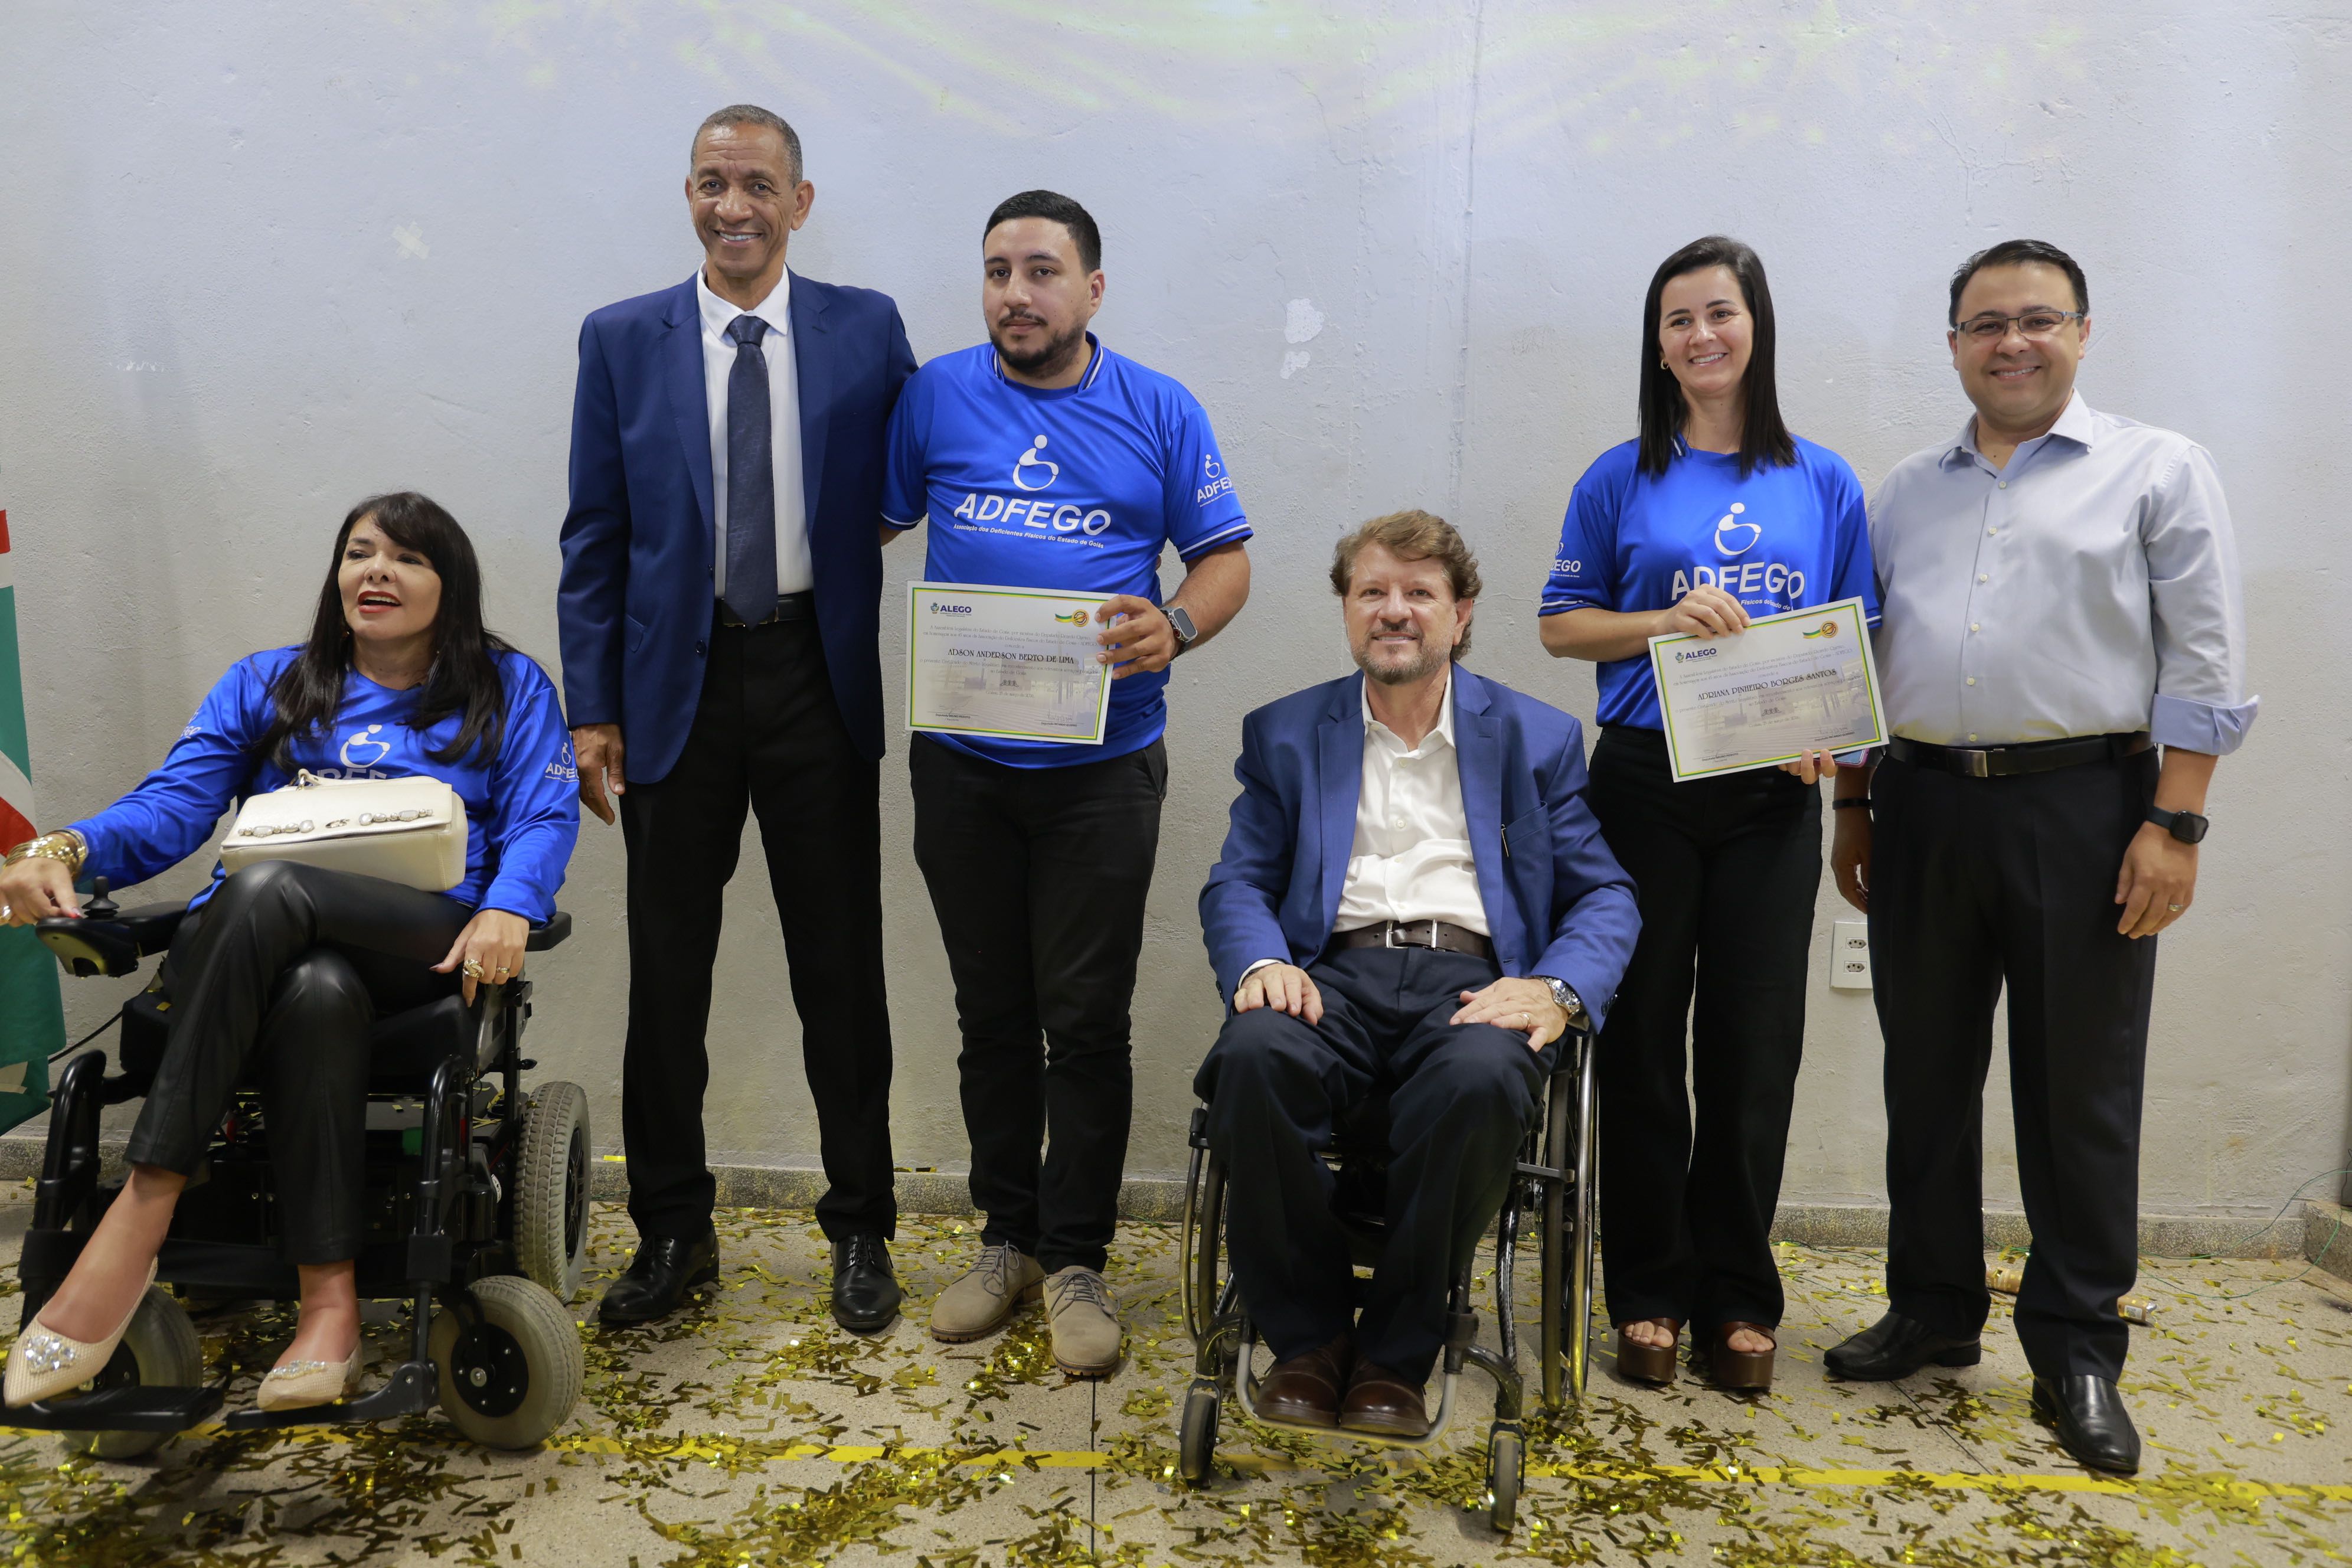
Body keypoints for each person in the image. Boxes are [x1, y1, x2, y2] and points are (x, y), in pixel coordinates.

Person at [1822, 240, 2254, 1474]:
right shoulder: (1904, 491)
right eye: (1985, 323)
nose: (2011, 342)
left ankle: (2076, 1346)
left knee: (2079, 1086)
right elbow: (1861, 654)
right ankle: (1932, 1305)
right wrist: (1853, 803)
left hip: (2089, 806)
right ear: (1955, 343)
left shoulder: (2157, 469)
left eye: (2038, 319)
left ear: (2082, 331)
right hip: (1921, 801)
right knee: (1925, 1071)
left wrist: (2176, 823)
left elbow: (2207, 655)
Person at [2, 492, 577, 1413]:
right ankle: (329, 1307)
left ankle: (143, 1207)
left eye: (409, 558)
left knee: (270, 887)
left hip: (421, 942)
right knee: (313, 984)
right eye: (360, 553)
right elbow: (173, 807)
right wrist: (64, 847)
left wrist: (511, 904)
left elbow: (544, 816)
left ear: (451, 586)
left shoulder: (508, 687)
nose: (377, 571)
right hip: (267, 962)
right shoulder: (267, 683)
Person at [880, 190, 1253, 1376]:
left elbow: (1227, 560)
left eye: (1042, 271)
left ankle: (1076, 1254)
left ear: (1092, 289)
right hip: (963, 764)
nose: (1016, 293)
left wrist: (1175, 626)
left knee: (1083, 1020)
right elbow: (864, 526)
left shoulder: (1159, 407)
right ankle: (1008, 1240)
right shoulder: (934, 395)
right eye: (998, 270)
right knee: (989, 1013)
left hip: (1101, 770)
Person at [557, 105, 916, 1332]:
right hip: (675, 691)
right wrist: (591, 709)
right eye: (713, 182)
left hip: (818, 677)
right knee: (667, 978)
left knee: (842, 972)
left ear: (799, 203)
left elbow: (917, 474)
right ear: (690, 195)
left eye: (758, 184)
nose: (734, 207)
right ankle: (672, 1232)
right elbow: (595, 536)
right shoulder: (622, 339)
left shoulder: (866, 328)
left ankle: (862, 1227)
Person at [1195, 511, 1638, 1435]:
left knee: (1483, 1078)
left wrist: (1556, 989)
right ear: (1347, 610)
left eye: (1419, 593)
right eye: (1373, 592)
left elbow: (1605, 894)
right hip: (1330, 977)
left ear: (1461, 614)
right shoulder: (1285, 733)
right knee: (1251, 1057)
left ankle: (1398, 1355)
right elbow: (1238, 879)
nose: (1394, 610)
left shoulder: (1535, 737)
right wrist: (1261, 960)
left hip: (1470, 983)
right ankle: (1309, 1341)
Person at [1537, 236, 1879, 1391]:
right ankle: (1646, 1287)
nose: (1701, 336)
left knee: (1752, 1047)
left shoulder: (1823, 480)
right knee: (1640, 1039)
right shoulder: (1618, 476)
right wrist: (1664, 622)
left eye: (1719, 313)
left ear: (1756, 326)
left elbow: (1860, 636)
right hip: (1643, 785)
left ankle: (1738, 1290)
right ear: (1659, 345)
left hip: (1774, 791)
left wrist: (1838, 746)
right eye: (1678, 320)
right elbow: (1561, 626)